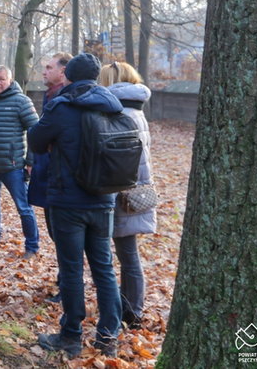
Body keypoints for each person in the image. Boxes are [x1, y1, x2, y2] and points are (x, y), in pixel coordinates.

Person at [27, 52, 122, 358]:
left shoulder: (61, 106)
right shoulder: (113, 106)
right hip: (104, 199)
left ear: (68, 76)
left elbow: (36, 140)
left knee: (71, 270)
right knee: (104, 268)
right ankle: (109, 336)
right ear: (96, 77)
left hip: (68, 200)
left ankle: (71, 335)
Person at [98, 61, 155, 329]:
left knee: (127, 254)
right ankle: (130, 306)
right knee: (127, 253)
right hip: (135, 188)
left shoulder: (121, 112)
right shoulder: (136, 108)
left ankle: (132, 310)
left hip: (124, 192)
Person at [0, 65, 40, 258]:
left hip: (13, 166)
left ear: (10, 80)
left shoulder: (21, 101)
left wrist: (31, 161)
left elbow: (35, 131)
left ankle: (32, 246)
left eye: (2, 79)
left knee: (24, 207)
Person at [28, 52, 71, 300]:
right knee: (56, 233)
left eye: (48, 67)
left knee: (64, 235)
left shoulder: (63, 100)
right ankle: (63, 280)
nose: (44, 72)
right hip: (47, 176)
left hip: (60, 180)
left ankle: (68, 286)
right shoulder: (51, 96)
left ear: (63, 72)